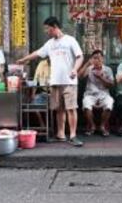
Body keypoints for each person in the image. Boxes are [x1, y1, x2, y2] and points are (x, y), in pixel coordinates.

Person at [16, 16, 84, 147]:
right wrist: (24, 59)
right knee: (59, 109)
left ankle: (73, 135)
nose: (46, 32)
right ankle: (60, 134)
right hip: (55, 81)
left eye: (48, 29)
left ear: (54, 27)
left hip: (69, 81)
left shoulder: (70, 40)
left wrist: (75, 69)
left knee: (71, 108)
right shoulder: (50, 44)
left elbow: (80, 57)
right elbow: (37, 53)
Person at [78, 50, 114, 137]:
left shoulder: (108, 70)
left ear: (103, 59)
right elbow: (79, 76)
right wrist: (87, 64)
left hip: (104, 94)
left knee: (109, 103)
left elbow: (111, 85)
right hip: (90, 94)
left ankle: (102, 126)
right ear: (92, 59)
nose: (97, 60)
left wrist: (101, 78)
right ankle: (92, 126)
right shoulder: (89, 69)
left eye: (99, 58)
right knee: (86, 104)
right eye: (95, 58)